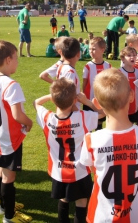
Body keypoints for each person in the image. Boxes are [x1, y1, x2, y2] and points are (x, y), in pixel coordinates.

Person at [80, 68, 138, 223]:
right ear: (131, 96)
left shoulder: (91, 139)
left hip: (100, 215)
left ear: (97, 103)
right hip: (135, 213)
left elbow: (88, 167)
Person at [34, 78, 103, 222]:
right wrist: (87, 102)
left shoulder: (47, 118)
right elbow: (104, 113)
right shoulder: (82, 117)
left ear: (54, 100)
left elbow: (36, 102)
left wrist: (52, 96)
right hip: (79, 170)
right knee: (81, 202)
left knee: (64, 199)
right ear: (74, 101)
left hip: (58, 170)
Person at [0, 40, 33, 222]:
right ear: (7, 60)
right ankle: (9, 215)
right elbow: (17, 115)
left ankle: (3, 205)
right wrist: (29, 122)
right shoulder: (11, 84)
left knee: (0, 171)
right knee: (8, 177)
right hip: (10, 139)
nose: (17, 62)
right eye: (16, 58)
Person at [83, 37, 111, 130]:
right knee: (88, 123)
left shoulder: (108, 66)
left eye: (94, 49)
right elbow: (84, 83)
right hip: (89, 101)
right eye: (90, 49)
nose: (91, 51)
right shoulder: (88, 66)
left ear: (102, 50)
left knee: (99, 123)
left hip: (102, 100)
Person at [119, 47, 138, 125]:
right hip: (123, 106)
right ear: (122, 58)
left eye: (134, 55)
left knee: (135, 125)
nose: (132, 57)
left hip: (135, 105)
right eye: (129, 55)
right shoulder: (119, 72)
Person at [56, 37, 81, 109]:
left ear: (62, 53)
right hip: (71, 114)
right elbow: (68, 99)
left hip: (63, 111)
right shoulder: (70, 72)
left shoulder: (61, 67)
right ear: (78, 54)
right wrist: (78, 113)